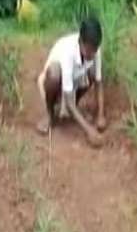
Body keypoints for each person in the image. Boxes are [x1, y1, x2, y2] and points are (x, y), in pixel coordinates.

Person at [36, 17, 107, 147]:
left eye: (94, 50)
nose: (92, 54)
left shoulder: (95, 48)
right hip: (55, 81)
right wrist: (89, 130)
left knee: (92, 70)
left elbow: (98, 82)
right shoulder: (68, 52)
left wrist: (100, 115)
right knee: (54, 73)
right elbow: (67, 99)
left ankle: (74, 109)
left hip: (74, 78)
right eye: (88, 50)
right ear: (80, 42)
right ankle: (50, 113)